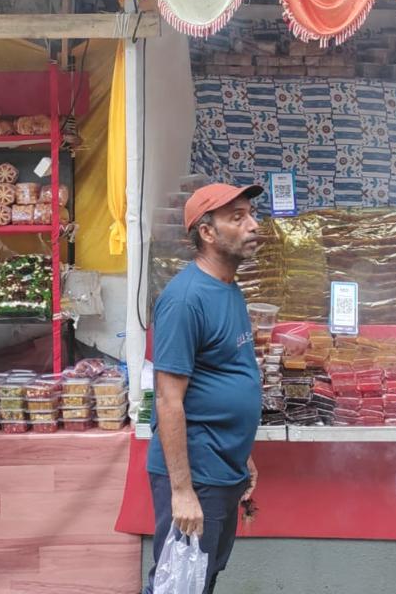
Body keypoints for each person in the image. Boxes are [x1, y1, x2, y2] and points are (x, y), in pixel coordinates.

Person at [144, 182, 264, 594]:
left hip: (223, 468)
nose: (253, 225)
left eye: (250, 214)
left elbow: (228, 373)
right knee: (178, 583)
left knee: (204, 577)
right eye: (238, 217)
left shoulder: (229, 289)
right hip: (197, 474)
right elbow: (168, 398)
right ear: (207, 233)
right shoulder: (184, 299)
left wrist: (242, 455)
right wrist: (181, 492)